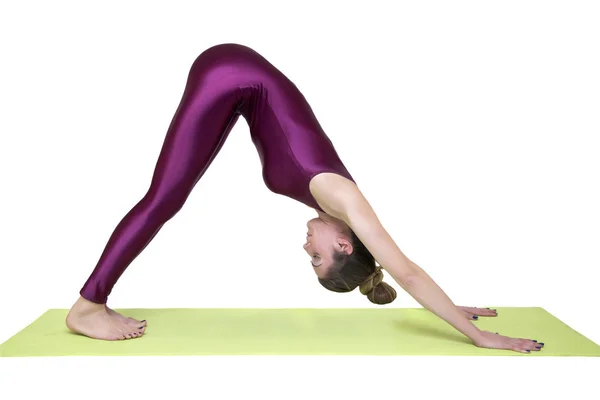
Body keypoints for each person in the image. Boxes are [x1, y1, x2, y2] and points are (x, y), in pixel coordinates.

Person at [65, 43, 544, 354]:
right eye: (316, 257)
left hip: (236, 86)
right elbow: (407, 271)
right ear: (344, 245)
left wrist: (452, 306)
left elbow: (401, 272)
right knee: (163, 199)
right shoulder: (344, 198)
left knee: (169, 198)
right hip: (233, 75)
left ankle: (93, 301)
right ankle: (88, 305)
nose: (305, 249)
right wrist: (477, 335)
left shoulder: (328, 205)